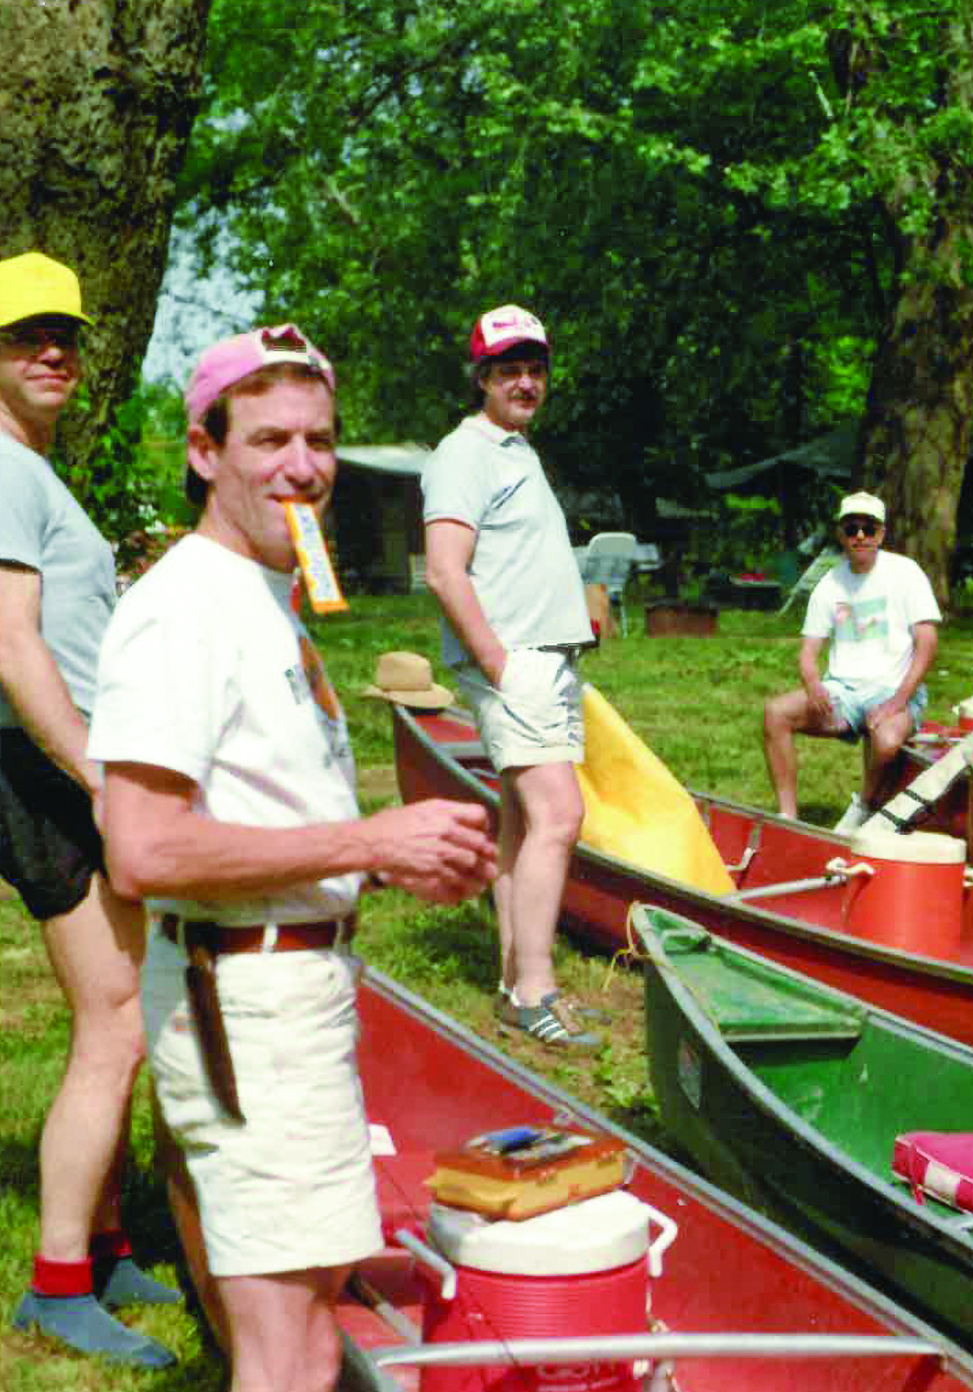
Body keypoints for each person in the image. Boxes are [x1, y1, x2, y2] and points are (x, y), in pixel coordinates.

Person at [90, 325, 496, 1392]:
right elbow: (140, 848)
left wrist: (394, 861)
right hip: (247, 1007)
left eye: (318, 439)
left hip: (288, 994)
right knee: (289, 1355)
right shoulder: (182, 610)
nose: (303, 466)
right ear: (203, 450)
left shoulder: (261, 593)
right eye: (269, 440)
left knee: (308, 1333)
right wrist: (369, 839)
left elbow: (254, 800)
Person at [0, 253, 178, 1368]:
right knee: (114, 1024)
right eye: (26, 336)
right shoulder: (5, 470)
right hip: (40, 770)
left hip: (63, 766)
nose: (53, 352)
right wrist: (98, 780)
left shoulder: (34, 470)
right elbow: (13, 648)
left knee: (118, 1014)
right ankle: (57, 1283)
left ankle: (108, 1248)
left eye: (64, 334)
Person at [422, 305, 601, 1049]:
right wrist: (498, 662)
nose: (525, 383)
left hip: (543, 658)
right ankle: (536, 991)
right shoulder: (464, 453)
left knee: (524, 823)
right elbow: (444, 570)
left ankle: (511, 981)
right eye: (509, 371)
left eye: (534, 369)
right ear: (482, 378)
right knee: (560, 817)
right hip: (515, 662)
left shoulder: (515, 449)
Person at [762, 491, 940, 830]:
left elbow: (927, 643)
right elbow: (808, 651)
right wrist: (813, 684)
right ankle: (787, 817)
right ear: (840, 534)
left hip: (895, 690)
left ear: (881, 534)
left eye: (868, 528)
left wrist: (897, 702)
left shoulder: (906, 572)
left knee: (887, 741)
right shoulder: (829, 584)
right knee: (775, 713)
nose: (860, 536)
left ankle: (864, 805)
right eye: (851, 528)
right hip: (842, 691)